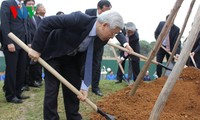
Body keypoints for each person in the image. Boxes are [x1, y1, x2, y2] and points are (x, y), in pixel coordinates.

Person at [28, 10, 125, 120]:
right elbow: (47, 22)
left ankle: (73, 117)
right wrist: (36, 48)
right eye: (112, 33)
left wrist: (85, 85)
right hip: (54, 54)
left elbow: (92, 61)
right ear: (104, 25)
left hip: (72, 60)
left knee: (73, 89)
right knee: (52, 90)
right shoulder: (79, 19)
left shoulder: (102, 39)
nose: (112, 37)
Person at [85, 0, 133, 96]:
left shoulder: (110, 18)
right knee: (83, 63)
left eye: (109, 11)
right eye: (105, 11)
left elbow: (118, 32)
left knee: (97, 65)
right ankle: (82, 85)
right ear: (98, 9)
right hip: (88, 43)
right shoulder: (88, 12)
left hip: (100, 43)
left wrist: (126, 45)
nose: (108, 13)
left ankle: (95, 87)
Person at [1, 0, 30, 104]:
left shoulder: (23, 6)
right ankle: (10, 95)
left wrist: (29, 42)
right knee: (12, 70)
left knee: (21, 69)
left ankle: (18, 92)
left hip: (24, 43)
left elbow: (26, 24)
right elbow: (4, 23)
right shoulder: (7, 3)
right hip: (12, 42)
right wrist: (9, 42)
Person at [29, 3, 46, 87]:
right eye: (41, 7)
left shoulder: (46, 19)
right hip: (35, 43)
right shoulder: (35, 19)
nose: (44, 8)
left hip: (45, 44)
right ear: (37, 11)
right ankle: (36, 80)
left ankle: (39, 79)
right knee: (35, 63)